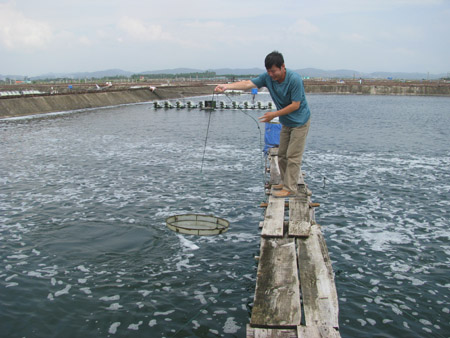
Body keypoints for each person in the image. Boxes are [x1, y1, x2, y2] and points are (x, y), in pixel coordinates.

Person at [215, 51, 311, 198]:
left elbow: (295, 105)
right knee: (282, 155)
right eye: (268, 71)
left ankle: (290, 187)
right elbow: (248, 84)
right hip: (286, 121)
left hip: (300, 122)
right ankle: (286, 182)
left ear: (282, 67)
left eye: (274, 71)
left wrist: (274, 114)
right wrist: (226, 87)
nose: (271, 75)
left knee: (293, 156)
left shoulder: (294, 79)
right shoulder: (268, 78)